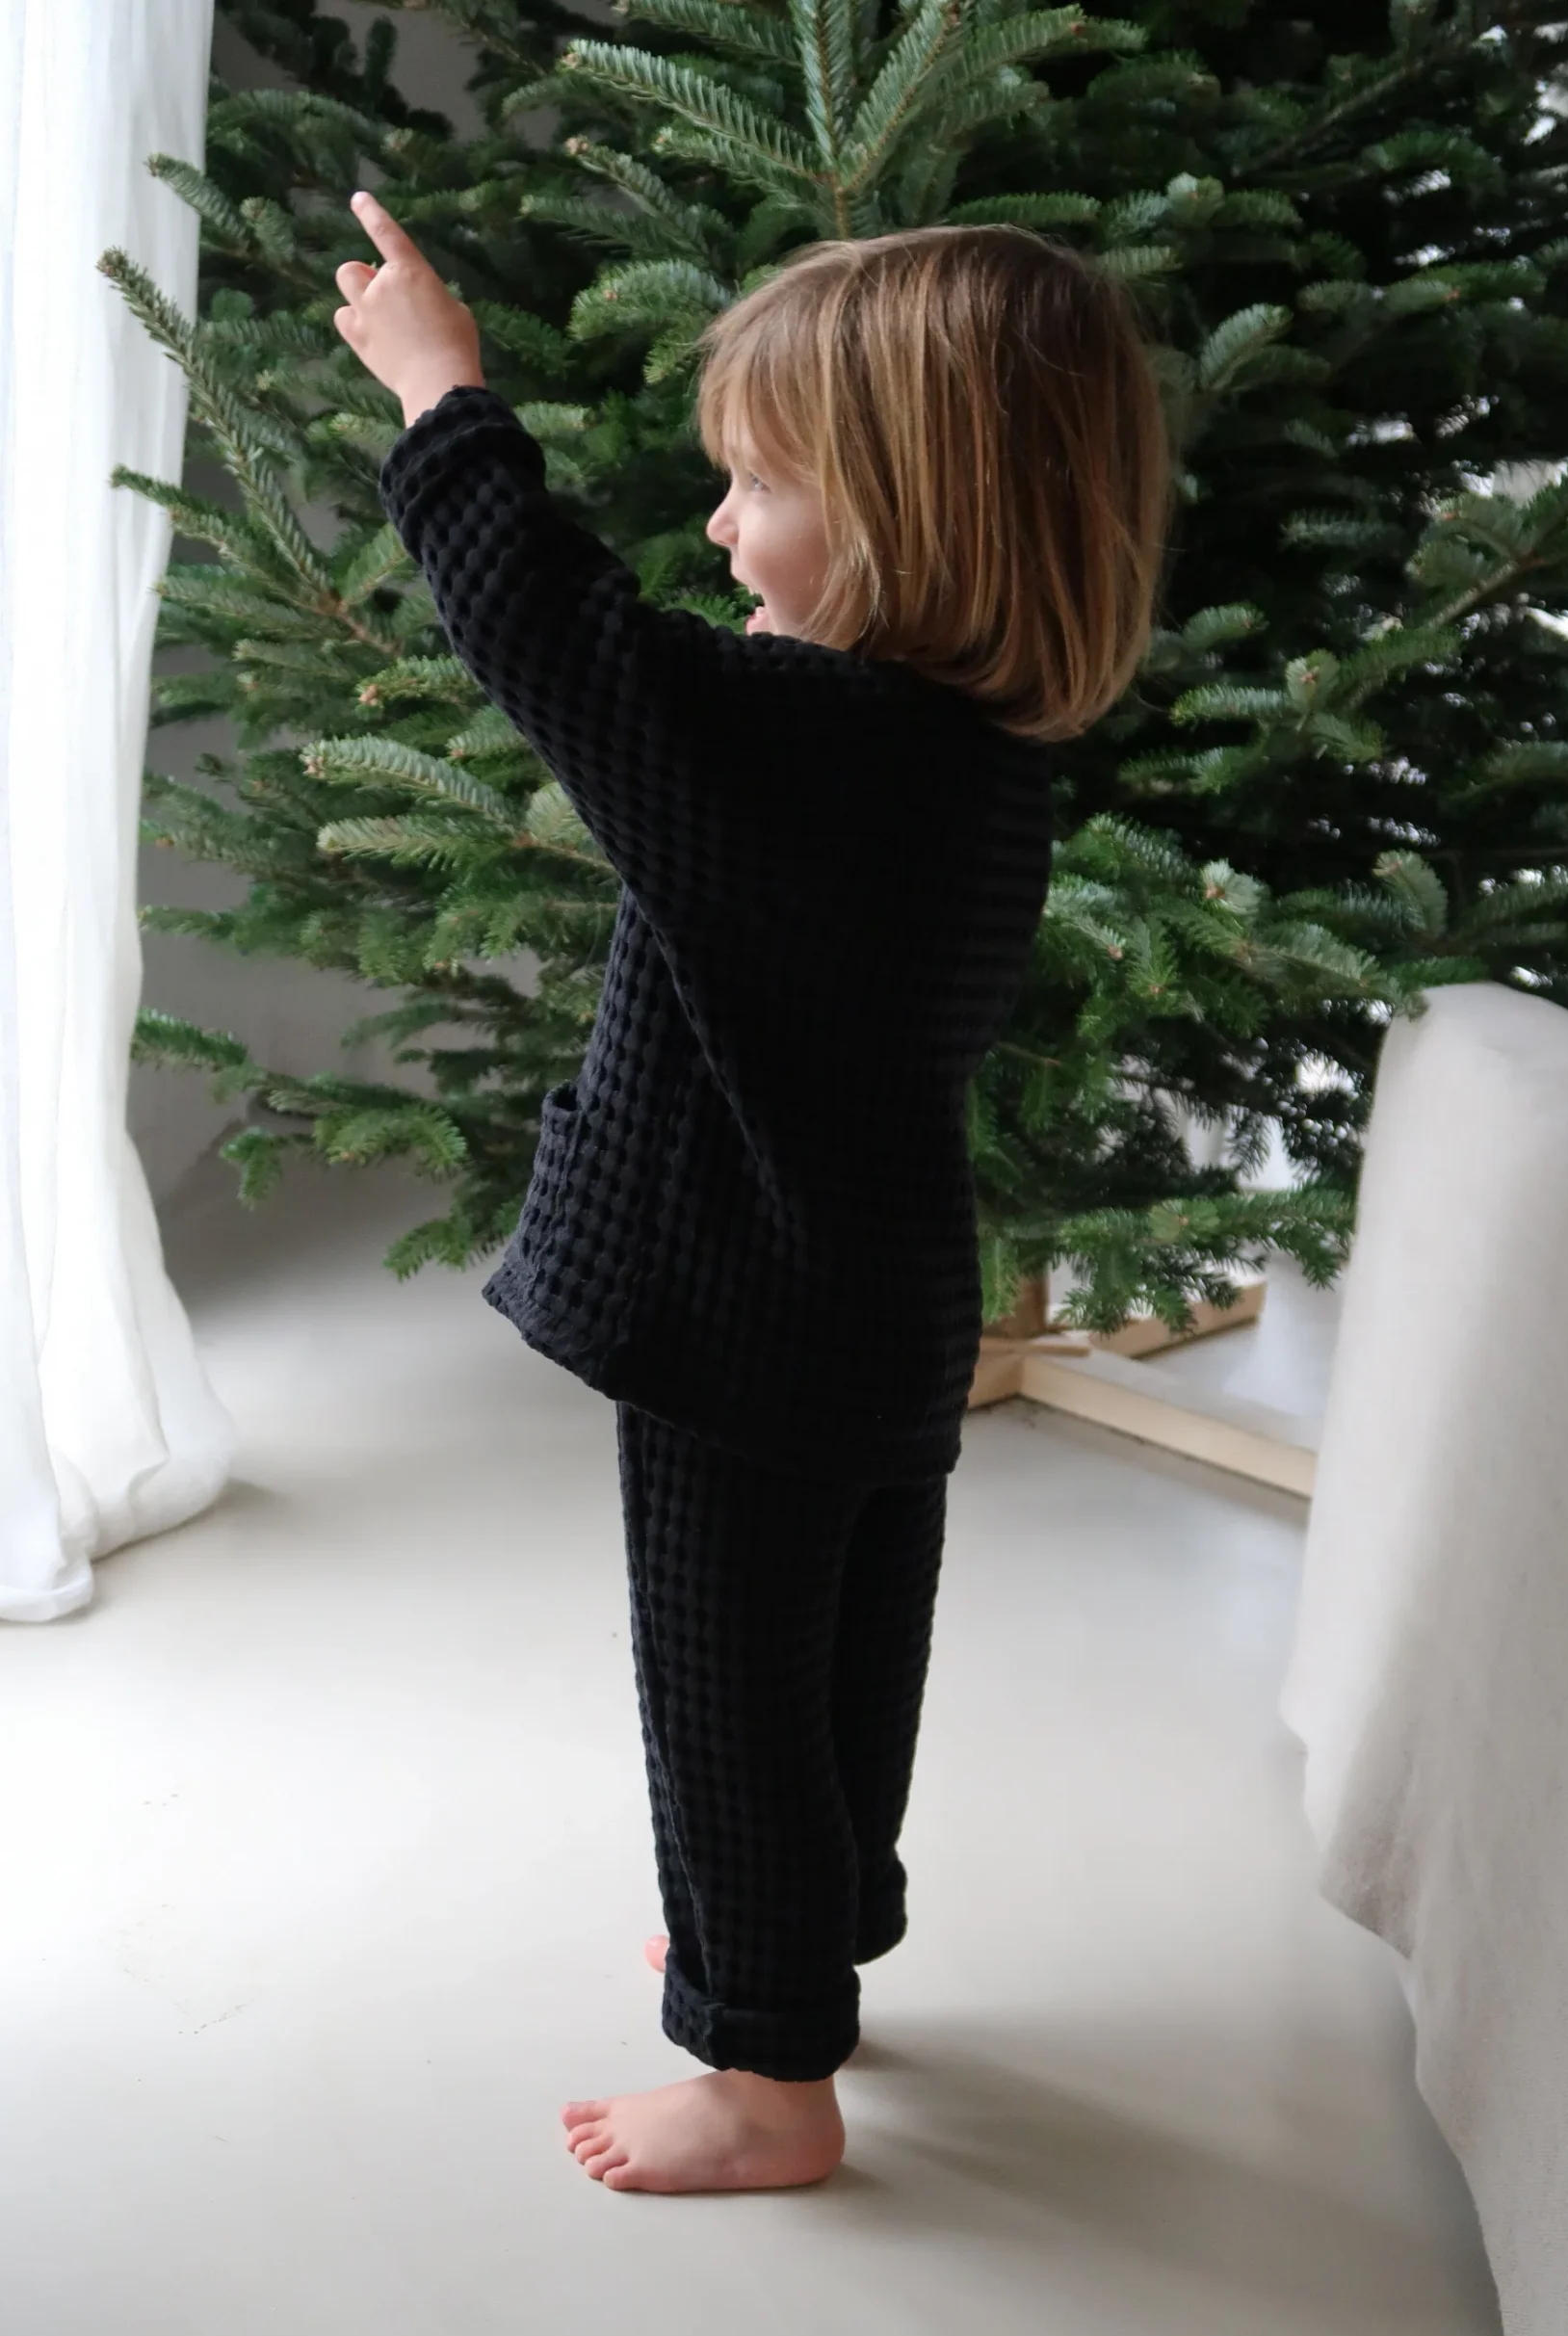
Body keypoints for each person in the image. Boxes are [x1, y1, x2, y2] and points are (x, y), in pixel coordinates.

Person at [336, 190, 1171, 2194]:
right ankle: (802, 1943)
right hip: (879, 1297)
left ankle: (761, 2077)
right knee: (840, 1664)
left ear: (909, 519)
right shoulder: (965, 752)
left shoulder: (805, 743)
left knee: (724, 1689)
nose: (718, 530)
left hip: (743, 1313)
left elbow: (558, 642)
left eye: (761, 487)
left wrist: (443, 399)